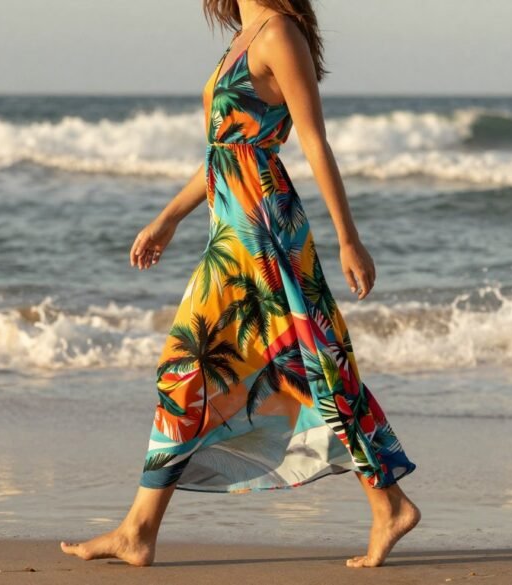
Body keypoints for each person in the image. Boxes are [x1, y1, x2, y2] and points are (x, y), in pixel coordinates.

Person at [60, 0, 419, 568]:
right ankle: (139, 530)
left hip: (266, 230)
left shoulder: (279, 34)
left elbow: (314, 142)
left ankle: (389, 503)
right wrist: (169, 217)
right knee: (195, 367)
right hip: (231, 231)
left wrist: (349, 238)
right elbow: (225, 151)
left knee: (302, 364)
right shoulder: (243, 35)